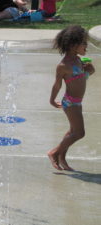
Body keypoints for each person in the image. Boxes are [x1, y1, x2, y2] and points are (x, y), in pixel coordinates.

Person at [48, 25, 95, 171]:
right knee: (79, 133)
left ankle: (62, 157)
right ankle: (54, 153)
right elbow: (57, 85)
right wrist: (51, 100)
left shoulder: (78, 60)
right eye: (84, 43)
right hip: (70, 103)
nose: (86, 46)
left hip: (77, 102)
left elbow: (79, 79)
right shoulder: (63, 65)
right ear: (73, 45)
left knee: (72, 132)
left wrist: (89, 71)